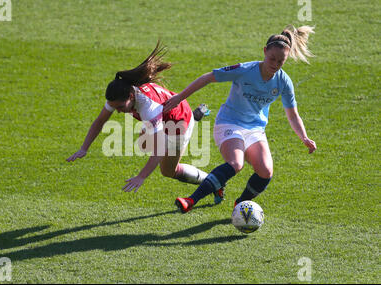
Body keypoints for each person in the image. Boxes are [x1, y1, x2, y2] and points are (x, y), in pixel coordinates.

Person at [163, 25, 317, 213]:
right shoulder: (245, 69)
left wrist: (304, 137)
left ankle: (240, 205)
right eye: (272, 58)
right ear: (264, 51)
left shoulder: (283, 82)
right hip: (229, 123)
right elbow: (208, 77)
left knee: (265, 172)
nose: (275, 64)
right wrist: (180, 97)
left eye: (280, 61)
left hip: (255, 129)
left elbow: (292, 115)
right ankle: (191, 200)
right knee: (236, 164)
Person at [67, 41, 223, 202]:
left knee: (168, 171)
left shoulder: (149, 108)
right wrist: (84, 148)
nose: (118, 111)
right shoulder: (119, 95)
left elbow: (159, 149)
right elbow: (100, 121)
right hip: (162, 117)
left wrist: (141, 176)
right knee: (143, 145)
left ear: (131, 97)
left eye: (120, 107)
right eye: (115, 107)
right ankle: (197, 116)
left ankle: (214, 183)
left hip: (178, 122)